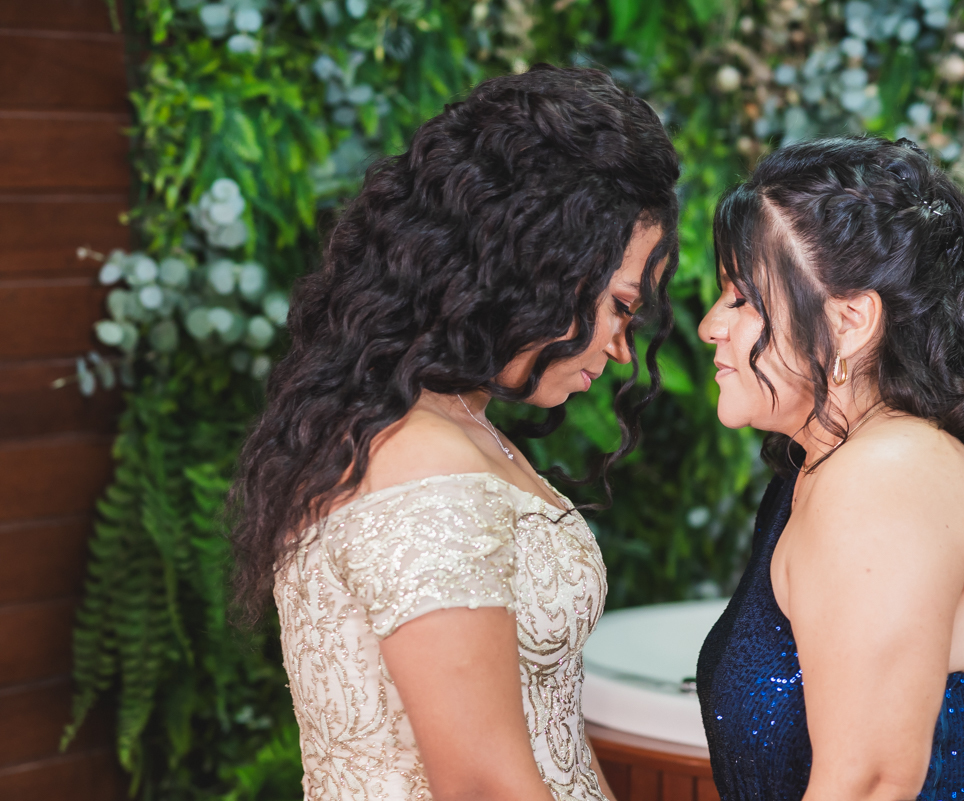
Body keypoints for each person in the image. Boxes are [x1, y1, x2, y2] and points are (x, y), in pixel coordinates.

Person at [228, 65, 680, 801]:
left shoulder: (442, 425)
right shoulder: (422, 459)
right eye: (621, 306)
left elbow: (553, 732)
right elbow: (479, 782)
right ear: (540, 265)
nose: (623, 348)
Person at [695, 136, 964, 801]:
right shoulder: (828, 468)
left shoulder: (884, 481)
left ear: (851, 321)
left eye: (741, 298)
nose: (709, 325)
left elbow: (869, 786)